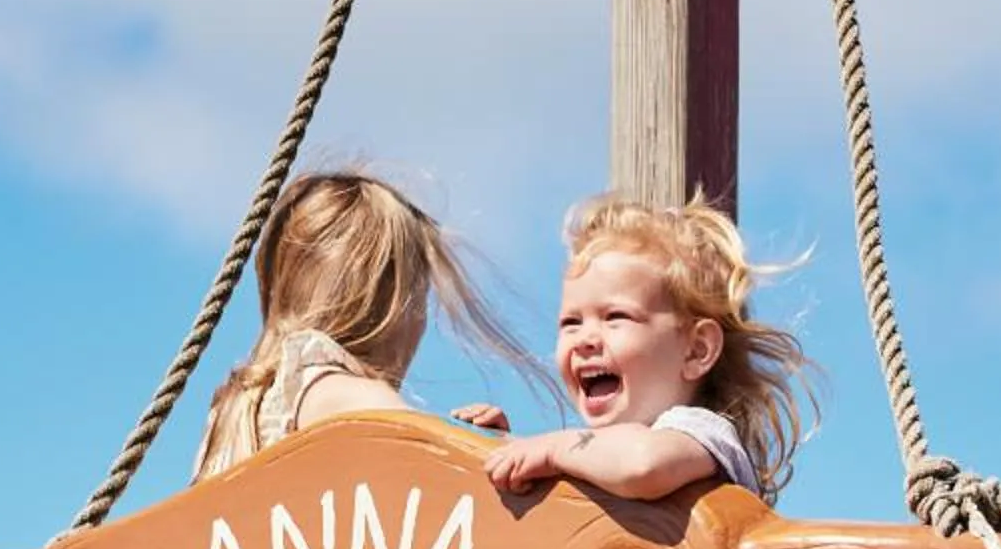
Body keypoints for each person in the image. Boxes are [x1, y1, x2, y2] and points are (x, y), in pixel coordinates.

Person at [194, 168, 550, 477]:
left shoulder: (239, 409)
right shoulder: (330, 387)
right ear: (391, 304)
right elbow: (423, 456)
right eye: (419, 298)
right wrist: (494, 449)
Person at [464, 193, 815, 503]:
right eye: (571, 322)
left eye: (615, 317)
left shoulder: (703, 435)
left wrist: (553, 448)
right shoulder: (597, 457)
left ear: (696, 350)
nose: (586, 338)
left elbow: (642, 465)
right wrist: (504, 448)